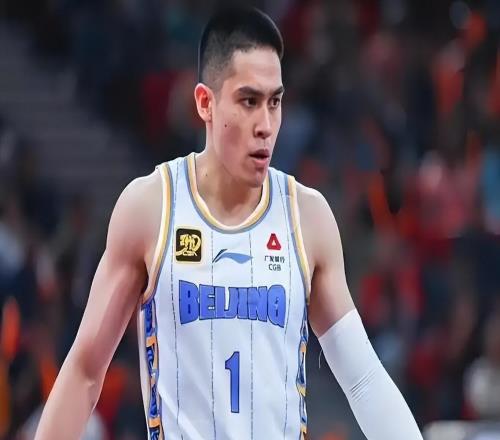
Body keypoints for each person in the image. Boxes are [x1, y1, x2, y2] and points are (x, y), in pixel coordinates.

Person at [35, 7, 422, 440]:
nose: (266, 125)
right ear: (205, 103)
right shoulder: (150, 208)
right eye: (249, 101)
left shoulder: (307, 217)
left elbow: (363, 378)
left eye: (275, 102)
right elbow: (86, 372)